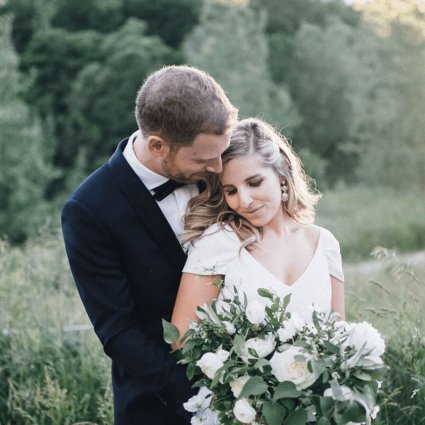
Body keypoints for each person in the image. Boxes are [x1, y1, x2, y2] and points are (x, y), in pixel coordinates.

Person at [61, 65, 238, 425]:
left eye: (221, 153)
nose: (219, 168)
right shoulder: (90, 210)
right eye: (205, 160)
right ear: (157, 145)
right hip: (158, 405)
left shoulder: (226, 168)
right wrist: (203, 401)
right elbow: (119, 333)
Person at [171, 117, 345, 347]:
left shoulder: (325, 244)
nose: (244, 201)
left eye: (254, 183)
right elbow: (182, 338)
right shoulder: (218, 241)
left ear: (281, 175)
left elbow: (338, 336)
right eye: (231, 191)